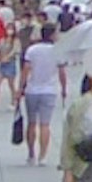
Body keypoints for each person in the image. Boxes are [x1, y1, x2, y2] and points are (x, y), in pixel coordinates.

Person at [19, 30, 64, 164]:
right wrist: (64, 89)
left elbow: (25, 70)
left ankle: (31, 153)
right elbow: (62, 72)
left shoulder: (32, 50)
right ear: (51, 35)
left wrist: (20, 88)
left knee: (31, 123)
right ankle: (43, 156)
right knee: (45, 125)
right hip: (49, 90)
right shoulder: (57, 51)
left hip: (32, 90)